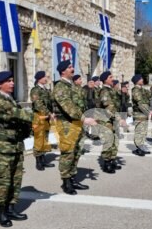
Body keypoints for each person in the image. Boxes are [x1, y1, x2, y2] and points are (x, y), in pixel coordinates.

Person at [0, 71, 34, 227]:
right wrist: (37, 118)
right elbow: (17, 114)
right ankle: (1, 212)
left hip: (16, 145)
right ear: (0, 84)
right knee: (3, 180)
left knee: (15, 178)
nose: (12, 83)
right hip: (3, 147)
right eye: (8, 81)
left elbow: (20, 119)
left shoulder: (11, 100)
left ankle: (11, 208)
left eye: (13, 80)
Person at [53, 60, 97, 194]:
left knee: (76, 152)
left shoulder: (72, 86)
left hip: (77, 124)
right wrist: (84, 119)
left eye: (72, 66)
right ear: (63, 71)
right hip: (67, 124)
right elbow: (68, 107)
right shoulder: (60, 87)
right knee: (68, 153)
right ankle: (66, 182)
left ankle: (72, 178)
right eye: (70, 67)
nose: (73, 69)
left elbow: (81, 103)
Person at [98, 72, 125, 173]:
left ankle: (112, 160)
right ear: (105, 80)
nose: (112, 79)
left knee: (115, 141)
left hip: (113, 120)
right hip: (106, 121)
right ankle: (106, 163)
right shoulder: (104, 91)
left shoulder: (111, 90)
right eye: (110, 77)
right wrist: (119, 118)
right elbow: (108, 108)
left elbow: (116, 105)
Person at [30, 71, 55, 171]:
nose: (46, 78)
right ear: (39, 78)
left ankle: (43, 159)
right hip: (39, 117)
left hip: (46, 118)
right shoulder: (35, 90)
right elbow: (38, 104)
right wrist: (49, 113)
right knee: (39, 139)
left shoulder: (46, 90)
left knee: (45, 138)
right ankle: (38, 161)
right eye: (44, 77)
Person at [131, 74, 152, 156]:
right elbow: (140, 103)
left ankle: (141, 147)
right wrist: (149, 112)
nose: (142, 79)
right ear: (137, 81)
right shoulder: (135, 90)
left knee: (144, 132)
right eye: (141, 79)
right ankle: (138, 148)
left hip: (144, 114)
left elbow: (150, 95)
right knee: (139, 131)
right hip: (139, 114)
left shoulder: (142, 90)